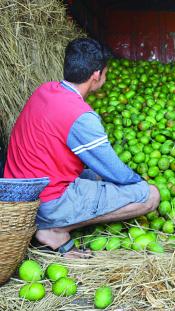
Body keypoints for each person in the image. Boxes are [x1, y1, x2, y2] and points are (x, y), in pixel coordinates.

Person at [4, 38, 160, 257]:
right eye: (106, 73)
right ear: (96, 75)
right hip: (46, 204)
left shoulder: (45, 90)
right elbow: (113, 169)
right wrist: (138, 182)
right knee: (149, 196)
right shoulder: (80, 117)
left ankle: (56, 222)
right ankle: (56, 229)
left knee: (95, 176)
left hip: (21, 197)